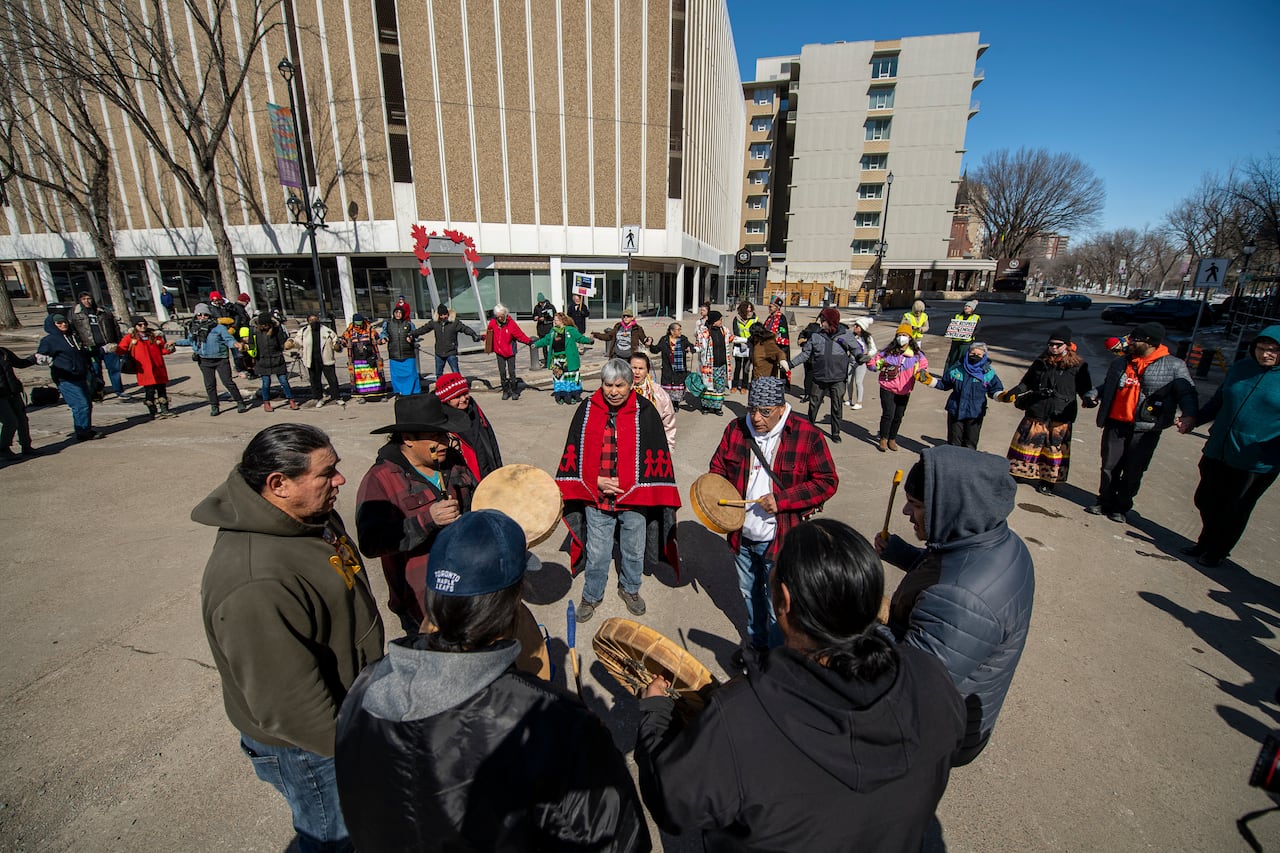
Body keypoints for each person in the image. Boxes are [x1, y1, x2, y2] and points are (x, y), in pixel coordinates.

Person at [635, 519, 965, 850]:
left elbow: (670, 803)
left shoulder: (739, 720)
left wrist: (655, 711)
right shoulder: (929, 675)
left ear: (785, 601)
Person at [335, 510, 651, 852]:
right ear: (515, 599)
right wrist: (598, 749)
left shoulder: (365, 686)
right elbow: (619, 842)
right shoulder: (556, 724)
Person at [195, 424, 385, 853]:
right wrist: (354, 751)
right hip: (309, 748)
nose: (340, 480)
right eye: (326, 473)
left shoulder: (311, 516)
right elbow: (291, 708)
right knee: (335, 839)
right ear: (278, 484)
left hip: (345, 708)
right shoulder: (255, 582)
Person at [875, 445, 1035, 765]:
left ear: (950, 508)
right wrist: (901, 553)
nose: (906, 513)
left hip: (942, 731)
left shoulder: (964, 600)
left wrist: (867, 617)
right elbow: (946, 565)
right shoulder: (994, 539)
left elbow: (912, 679)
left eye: (916, 505)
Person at [708, 376, 838, 654]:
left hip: (780, 539)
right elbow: (717, 467)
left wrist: (783, 500)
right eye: (751, 409)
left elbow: (827, 480)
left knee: (776, 606)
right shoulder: (736, 429)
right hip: (740, 537)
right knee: (749, 594)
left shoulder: (806, 434)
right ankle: (758, 648)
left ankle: (780, 660)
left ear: (781, 408)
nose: (755, 418)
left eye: (764, 412)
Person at [556, 359, 681, 623]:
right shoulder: (587, 409)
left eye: (619, 385)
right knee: (598, 552)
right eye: (608, 385)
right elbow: (574, 454)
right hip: (596, 499)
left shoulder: (645, 411)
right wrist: (594, 480)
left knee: (633, 550)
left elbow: (656, 454)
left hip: (635, 500)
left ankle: (630, 589)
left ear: (630, 384)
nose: (613, 391)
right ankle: (591, 595)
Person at [355, 393, 478, 636]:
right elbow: (371, 544)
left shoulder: (452, 461)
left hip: (466, 586)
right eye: (435, 436)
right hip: (419, 602)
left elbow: (475, 500)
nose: (444, 442)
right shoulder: (380, 479)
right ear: (408, 439)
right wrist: (427, 520)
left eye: (445, 434)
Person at [1176, 325, 1280, 567]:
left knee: (1235, 508)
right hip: (1219, 447)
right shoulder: (1241, 368)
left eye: (1273, 350)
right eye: (1261, 348)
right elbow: (1218, 401)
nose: (1265, 354)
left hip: (1256, 460)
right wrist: (1194, 420)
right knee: (1205, 498)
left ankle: (1218, 550)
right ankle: (1206, 540)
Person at [1087, 322, 1197, 523]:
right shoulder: (1121, 362)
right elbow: (1109, 385)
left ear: (1149, 343)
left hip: (1146, 428)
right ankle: (1105, 501)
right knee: (1109, 466)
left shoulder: (1173, 365)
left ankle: (1121, 506)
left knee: (1133, 469)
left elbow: (1186, 392)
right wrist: (1094, 393)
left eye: (1134, 339)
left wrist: (1189, 415)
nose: (1128, 342)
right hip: (1116, 423)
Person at [1000, 326, 1095, 495]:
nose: (1054, 348)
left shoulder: (1078, 366)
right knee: (1026, 443)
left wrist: (1089, 398)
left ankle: (1047, 481)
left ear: (1067, 345)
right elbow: (1026, 382)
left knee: (1053, 450)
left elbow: (1085, 388)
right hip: (1037, 409)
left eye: (1058, 345)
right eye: (1051, 344)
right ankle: (1019, 472)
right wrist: (1014, 392)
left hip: (1061, 413)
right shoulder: (1040, 362)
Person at [790, 307, 854, 443]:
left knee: (837, 406)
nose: (822, 323)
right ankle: (810, 427)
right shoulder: (816, 336)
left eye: (824, 321)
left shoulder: (846, 335)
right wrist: (791, 364)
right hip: (819, 378)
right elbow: (805, 354)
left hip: (838, 379)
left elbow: (857, 350)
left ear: (832, 322)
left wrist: (862, 358)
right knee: (813, 404)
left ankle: (835, 433)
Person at [867, 323, 931, 452]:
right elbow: (875, 364)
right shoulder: (888, 352)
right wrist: (869, 361)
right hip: (887, 387)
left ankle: (892, 438)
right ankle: (883, 439)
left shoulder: (916, 355)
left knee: (898, 415)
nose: (901, 338)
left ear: (910, 337)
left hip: (904, 389)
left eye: (904, 335)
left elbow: (923, 367)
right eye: (899, 335)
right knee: (888, 414)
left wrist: (923, 373)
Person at [36, 313, 101, 440]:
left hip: (80, 375)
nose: (63, 324)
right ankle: (82, 432)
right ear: (53, 325)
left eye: (64, 322)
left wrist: (102, 350)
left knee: (87, 403)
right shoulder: (49, 340)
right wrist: (42, 359)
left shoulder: (72, 337)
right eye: (59, 323)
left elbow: (83, 353)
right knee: (80, 404)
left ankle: (85, 428)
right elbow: (41, 355)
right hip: (66, 378)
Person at [433, 372, 503, 480]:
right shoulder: (442, 421)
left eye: (465, 393)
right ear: (446, 399)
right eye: (456, 397)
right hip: (465, 479)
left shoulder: (474, 409)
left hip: (487, 471)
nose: (463, 399)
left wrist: (499, 470)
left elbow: (491, 440)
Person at [936, 341, 1004, 449]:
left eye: (979, 355)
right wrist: (930, 381)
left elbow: (995, 389)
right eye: (972, 353)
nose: (975, 356)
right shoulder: (957, 368)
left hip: (975, 413)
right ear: (968, 353)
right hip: (955, 410)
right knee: (954, 442)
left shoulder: (987, 372)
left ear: (984, 356)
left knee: (970, 443)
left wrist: (1002, 396)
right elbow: (944, 384)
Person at [189, 302, 250, 416]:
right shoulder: (194, 328)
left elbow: (228, 339)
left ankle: (240, 402)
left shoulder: (218, 327)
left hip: (220, 359)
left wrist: (236, 344)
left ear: (210, 315)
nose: (202, 317)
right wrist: (174, 342)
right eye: (199, 315)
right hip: (204, 360)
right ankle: (214, 405)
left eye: (205, 315)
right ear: (196, 316)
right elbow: (189, 341)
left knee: (228, 382)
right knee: (210, 384)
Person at [117, 316, 177, 420]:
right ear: (135, 326)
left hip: (158, 367)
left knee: (162, 389)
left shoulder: (154, 335)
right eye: (140, 325)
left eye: (145, 324)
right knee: (149, 391)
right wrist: (114, 348)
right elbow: (121, 349)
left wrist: (169, 348)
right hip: (144, 369)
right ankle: (153, 412)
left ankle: (165, 410)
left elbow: (162, 350)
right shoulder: (130, 338)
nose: (143, 326)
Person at [69, 291, 123, 398]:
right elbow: (72, 330)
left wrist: (118, 342)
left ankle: (119, 390)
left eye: (89, 298)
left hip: (108, 344)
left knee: (114, 369)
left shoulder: (104, 311)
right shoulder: (75, 313)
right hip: (90, 346)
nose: (87, 301)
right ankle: (99, 391)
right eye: (84, 299)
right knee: (95, 370)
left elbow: (115, 327)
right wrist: (79, 345)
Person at [531, 312, 594, 404]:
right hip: (557, 359)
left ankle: (573, 395)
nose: (554, 321)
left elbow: (580, 338)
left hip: (569, 358)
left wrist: (590, 340)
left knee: (571, 377)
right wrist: (536, 344)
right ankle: (560, 396)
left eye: (556, 320)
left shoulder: (570, 330)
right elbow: (546, 340)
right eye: (554, 320)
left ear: (562, 321)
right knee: (559, 378)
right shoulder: (553, 331)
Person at [249, 313, 300, 412]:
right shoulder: (254, 330)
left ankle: (291, 400)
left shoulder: (277, 329)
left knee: (284, 381)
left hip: (277, 358)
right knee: (266, 383)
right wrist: (248, 349)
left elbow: (282, 343)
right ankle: (266, 402)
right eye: (263, 325)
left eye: (267, 325)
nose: (265, 326)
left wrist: (288, 344)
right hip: (262, 360)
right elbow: (251, 344)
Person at [293, 313, 345, 407]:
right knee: (315, 380)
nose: (314, 322)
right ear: (308, 322)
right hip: (312, 360)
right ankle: (319, 398)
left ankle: (337, 397)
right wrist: (291, 343)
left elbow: (336, 342)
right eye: (311, 320)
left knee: (332, 379)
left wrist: (337, 346)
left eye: (316, 320)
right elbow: (297, 342)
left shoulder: (327, 331)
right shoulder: (304, 331)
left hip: (326, 358)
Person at [418, 303, 482, 377]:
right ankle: (440, 388)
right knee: (439, 373)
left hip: (451, 351)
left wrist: (473, 334)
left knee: (455, 372)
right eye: (441, 315)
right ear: (438, 315)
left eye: (445, 314)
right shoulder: (434, 323)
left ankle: (459, 386)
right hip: (439, 352)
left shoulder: (454, 322)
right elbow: (423, 329)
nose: (443, 316)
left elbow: (465, 328)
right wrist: (412, 334)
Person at [630, 351, 676, 451]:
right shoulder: (621, 390)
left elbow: (668, 422)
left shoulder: (657, 393)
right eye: (634, 368)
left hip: (651, 446)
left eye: (641, 368)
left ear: (647, 370)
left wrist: (668, 448)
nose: (637, 372)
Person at [486, 303, 532, 400]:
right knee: (502, 372)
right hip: (499, 351)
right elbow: (489, 335)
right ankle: (505, 390)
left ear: (505, 314)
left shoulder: (511, 323)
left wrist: (529, 341)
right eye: (498, 317)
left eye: (501, 316)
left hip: (510, 351)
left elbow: (519, 335)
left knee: (512, 372)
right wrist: (481, 338)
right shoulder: (493, 323)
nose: (500, 318)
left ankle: (514, 391)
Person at [0, 345, 40, 455]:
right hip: (0, 397)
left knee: (22, 420)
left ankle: (26, 446)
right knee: (10, 421)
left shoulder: (3, 352)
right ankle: (3, 448)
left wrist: (34, 358)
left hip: (13, 392)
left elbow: (20, 363)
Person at [649, 321, 695, 409]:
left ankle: (676, 403)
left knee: (677, 386)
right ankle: (669, 403)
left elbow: (690, 345)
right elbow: (655, 350)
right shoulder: (664, 340)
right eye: (678, 330)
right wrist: (650, 345)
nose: (680, 331)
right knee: (668, 386)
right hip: (668, 367)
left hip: (680, 368)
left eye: (680, 329)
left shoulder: (683, 339)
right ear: (672, 331)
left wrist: (690, 348)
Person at [339, 314, 386, 401]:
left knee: (375, 377)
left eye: (360, 324)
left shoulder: (369, 329)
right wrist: (341, 344)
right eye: (356, 324)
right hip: (357, 359)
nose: (358, 326)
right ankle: (361, 396)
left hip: (370, 357)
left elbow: (377, 339)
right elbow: (343, 341)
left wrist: (382, 341)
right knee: (359, 379)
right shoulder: (349, 331)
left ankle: (379, 395)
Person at [694, 310, 732, 414]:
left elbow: (732, 338)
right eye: (719, 320)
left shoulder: (724, 330)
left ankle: (717, 407)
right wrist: (694, 349)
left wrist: (747, 340)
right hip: (709, 365)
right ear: (714, 321)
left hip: (721, 365)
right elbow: (699, 345)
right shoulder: (704, 332)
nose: (721, 321)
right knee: (707, 386)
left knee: (719, 387)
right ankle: (705, 406)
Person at [381, 304, 423, 396]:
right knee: (396, 376)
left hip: (408, 354)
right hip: (394, 354)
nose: (398, 314)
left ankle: (414, 392)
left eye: (400, 313)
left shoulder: (409, 324)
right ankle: (398, 393)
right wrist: (384, 338)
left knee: (412, 374)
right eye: (396, 312)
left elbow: (415, 334)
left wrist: (411, 337)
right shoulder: (388, 324)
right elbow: (383, 334)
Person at [845, 315, 876, 409]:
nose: (855, 327)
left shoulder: (868, 338)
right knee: (849, 381)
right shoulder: (851, 336)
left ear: (862, 328)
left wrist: (867, 354)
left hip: (861, 363)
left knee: (858, 382)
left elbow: (874, 349)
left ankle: (859, 402)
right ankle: (849, 399)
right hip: (851, 361)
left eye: (857, 326)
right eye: (855, 325)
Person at [943, 299, 981, 374]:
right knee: (952, 359)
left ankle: (960, 374)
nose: (966, 307)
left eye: (969, 306)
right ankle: (947, 374)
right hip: (956, 341)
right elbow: (952, 326)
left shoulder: (976, 317)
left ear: (972, 309)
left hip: (966, 342)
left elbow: (977, 329)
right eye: (966, 306)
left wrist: (971, 334)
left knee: (962, 359)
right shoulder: (957, 316)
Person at [731, 301, 757, 392]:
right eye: (747, 308)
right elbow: (736, 331)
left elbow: (755, 331)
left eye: (750, 308)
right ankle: (734, 385)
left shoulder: (754, 319)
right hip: (738, 345)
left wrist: (748, 341)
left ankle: (744, 386)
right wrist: (741, 342)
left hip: (749, 345)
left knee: (746, 367)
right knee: (737, 366)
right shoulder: (736, 319)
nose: (749, 310)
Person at [532, 291, 556, 368]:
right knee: (544, 347)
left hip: (548, 328)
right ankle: (546, 362)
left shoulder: (550, 307)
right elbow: (534, 316)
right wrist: (535, 318)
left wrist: (545, 318)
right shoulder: (536, 307)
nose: (541, 304)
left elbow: (554, 317)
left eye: (542, 302)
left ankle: (552, 359)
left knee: (551, 345)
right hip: (541, 329)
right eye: (539, 302)